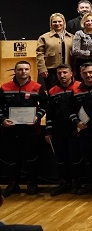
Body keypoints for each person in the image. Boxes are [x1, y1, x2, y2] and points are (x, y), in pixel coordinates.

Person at [0, 62, 47, 197]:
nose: (23, 72)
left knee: (31, 158)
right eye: (20, 69)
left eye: (26, 69)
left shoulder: (37, 87)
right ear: (15, 71)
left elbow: (45, 105)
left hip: (30, 129)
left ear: (30, 71)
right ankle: (13, 183)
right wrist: (2, 120)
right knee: (12, 158)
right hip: (10, 129)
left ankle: (32, 183)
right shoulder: (5, 87)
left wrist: (37, 117)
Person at [45, 64, 81, 196]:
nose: (62, 75)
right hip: (59, 129)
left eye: (65, 72)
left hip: (76, 129)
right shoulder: (52, 91)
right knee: (60, 158)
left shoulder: (79, 87)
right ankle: (63, 183)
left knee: (75, 156)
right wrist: (48, 131)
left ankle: (76, 182)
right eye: (59, 73)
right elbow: (50, 113)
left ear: (71, 73)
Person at [70, 62, 92, 195]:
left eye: (90, 72)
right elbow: (70, 110)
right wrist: (76, 122)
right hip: (84, 129)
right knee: (87, 158)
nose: (88, 75)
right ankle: (91, 183)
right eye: (85, 73)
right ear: (80, 74)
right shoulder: (75, 89)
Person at [36, 12, 74, 90]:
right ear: (51, 23)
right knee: (52, 91)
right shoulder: (44, 37)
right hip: (51, 70)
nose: (57, 23)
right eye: (54, 22)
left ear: (63, 22)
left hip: (68, 68)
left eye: (59, 21)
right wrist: (42, 68)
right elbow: (40, 54)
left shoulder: (71, 37)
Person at [71, 12, 92, 79]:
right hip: (82, 62)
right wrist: (90, 52)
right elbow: (75, 51)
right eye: (87, 21)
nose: (90, 22)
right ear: (84, 22)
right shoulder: (79, 33)